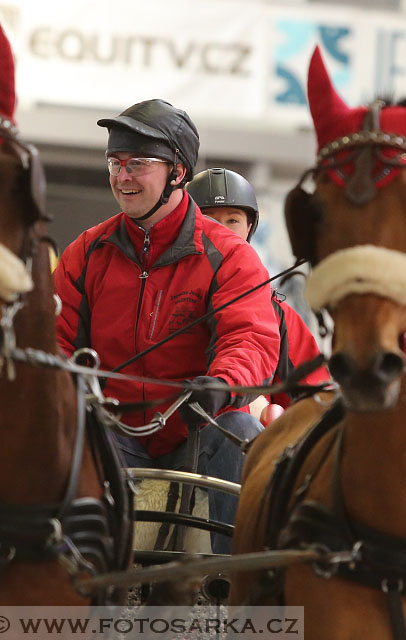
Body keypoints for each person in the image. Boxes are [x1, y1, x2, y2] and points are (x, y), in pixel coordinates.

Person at [54, 99, 279, 554]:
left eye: (137, 163)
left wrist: (222, 384)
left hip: (197, 426)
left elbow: (251, 338)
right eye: (115, 163)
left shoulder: (231, 255)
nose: (122, 176)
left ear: (177, 172)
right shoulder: (85, 251)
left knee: (241, 432)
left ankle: (229, 589)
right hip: (109, 428)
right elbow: (53, 340)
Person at [186, 168, 330, 419]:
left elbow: (314, 397)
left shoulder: (277, 313)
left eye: (232, 220)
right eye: (209, 221)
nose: (222, 232)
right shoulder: (162, 293)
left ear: (250, 227)